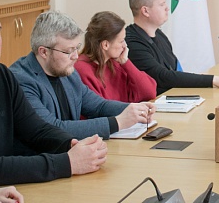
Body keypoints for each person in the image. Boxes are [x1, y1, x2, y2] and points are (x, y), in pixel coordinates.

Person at [0, 0, 107, 188]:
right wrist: (68, 163)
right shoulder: (18, 75)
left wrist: (71, 145)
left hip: (5, 190)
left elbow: (35, 129)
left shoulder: (1, 75)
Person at [10, 11, 154, 140]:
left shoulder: (67, 72)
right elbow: (52, 129)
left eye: (77, 48)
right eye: (69, 51)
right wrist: (117, 122)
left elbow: (98, 106)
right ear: (44, 52)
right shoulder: (21, 80)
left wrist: (134, 109)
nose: (75, 56)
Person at [125, 0, 219, 95]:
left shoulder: (159, 34)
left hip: (173, 95)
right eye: (162, 5)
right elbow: (163, 77)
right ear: (145, 11)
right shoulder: (131, 43)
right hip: (152, 102)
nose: (167, 8)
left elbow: (174, 70)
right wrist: (213, 80)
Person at [75, 11, 156, 103]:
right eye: (121, 41)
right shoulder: (82, 70)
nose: (125, 45)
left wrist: (126, 63)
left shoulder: (114, 63)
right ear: (105, 45)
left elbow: (150, 92)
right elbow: (100, 108)